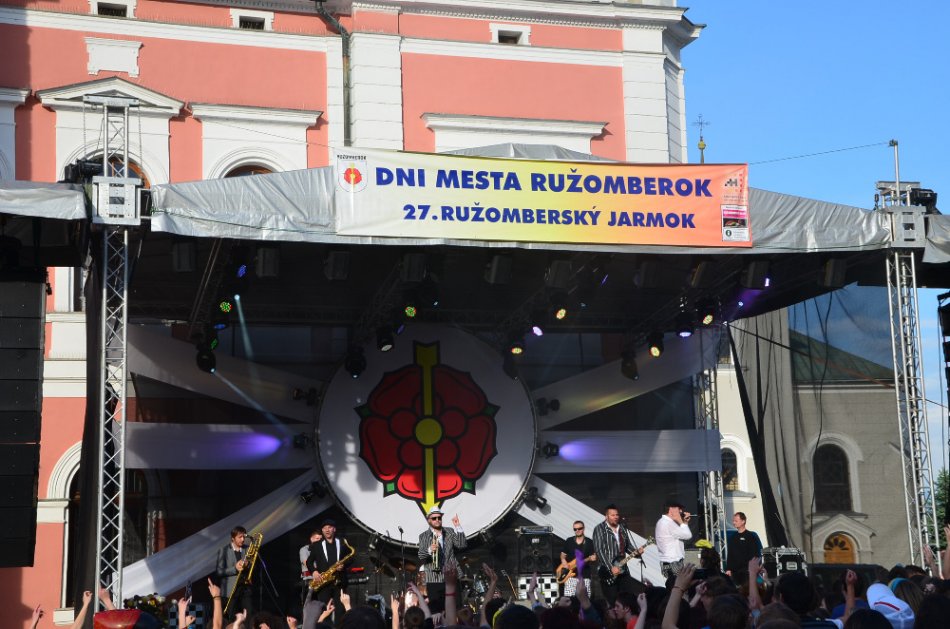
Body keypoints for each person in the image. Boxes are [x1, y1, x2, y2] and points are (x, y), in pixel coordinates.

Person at [592, 504, 647, 604]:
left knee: (628, 599)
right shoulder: (600, 529)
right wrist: (611, 567)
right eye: (612, 515)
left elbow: (628, 546)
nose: (616, 517)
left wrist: (637, 553)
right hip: (608, 572)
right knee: (612, 601)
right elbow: (599, 550)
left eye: (617, 515)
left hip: (623, 569)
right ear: (606, 516)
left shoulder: (622, 528)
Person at [418, 506, 466, 612]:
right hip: (434, 577)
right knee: (437, 610)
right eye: (434, 518)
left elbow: (462, 545)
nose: (437, 520)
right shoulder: (424, 536)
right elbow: (421, 555)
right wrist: (429, 550)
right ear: (429, 520)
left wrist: (458, 526)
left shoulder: (449, 531)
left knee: (456, 606)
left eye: (439, 518)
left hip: (451, 574)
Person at [307, 518, 355, 622]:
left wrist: (344, 565)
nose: (327, 530)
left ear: (334, 529)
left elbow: (351, 558)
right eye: (324, 528)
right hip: (323, 583)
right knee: (324, 611)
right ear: (322, 530)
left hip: (339, 582)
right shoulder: (317, 545)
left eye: (329, 527)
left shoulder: (342, 542)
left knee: (340, 612)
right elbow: (309, 562)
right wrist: (314, 571)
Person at [216, 525, 255, 621]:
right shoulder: (224, 550)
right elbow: (219, 571)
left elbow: (252, 566)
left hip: (245, 588)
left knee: (249, 616)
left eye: (243, 537)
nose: (243, 539)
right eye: (240, 537)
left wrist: (247, 564)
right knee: (232, 618)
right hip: (231, 591)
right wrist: (235, 568)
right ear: (233, 538)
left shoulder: (247, 549)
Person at [559, 520, 597, 597]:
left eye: (579, 528)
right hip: (570, 576)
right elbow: (563, 554)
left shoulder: (589, 542)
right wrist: (563, 560)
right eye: (575, 529)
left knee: (585, 599)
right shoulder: (569, 541)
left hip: (584, 576)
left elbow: (594, 558)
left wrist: (592, 558)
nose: (577, 530)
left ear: (583, 528)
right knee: (569, 599)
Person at [654, 501, 692, 579]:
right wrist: (681, 521)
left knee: (675, 584)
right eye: (679, 509)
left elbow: (682, 535)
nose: (681, 511)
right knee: (680, 584)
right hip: (673, 562)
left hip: (670, 562)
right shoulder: (668, 523)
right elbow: (688, 535)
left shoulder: (663, 522)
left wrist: (684, 522)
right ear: (671, 509)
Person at [724, 512, 761, 583]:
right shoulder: (733, 537)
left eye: (736, 521)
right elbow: (730, 554)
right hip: (735, 572)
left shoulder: (750, 536)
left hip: (747, 571)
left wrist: (751, 569)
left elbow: (754, 554)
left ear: (743, 521)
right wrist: (728, 569)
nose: (734, 523)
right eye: (733, 521)